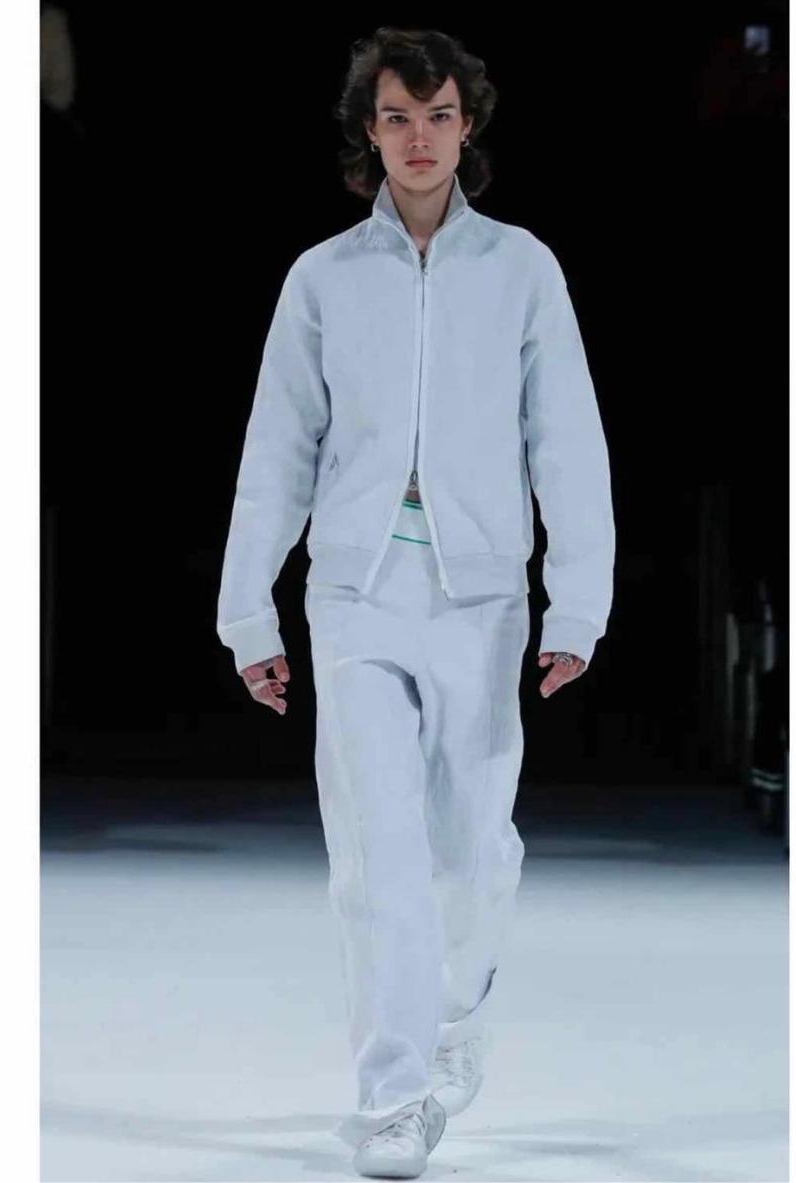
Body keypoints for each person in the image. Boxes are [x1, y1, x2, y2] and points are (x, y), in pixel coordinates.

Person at [216, 26, 615, 1180]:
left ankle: (453, 1032)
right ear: (371, 130)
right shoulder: (323, 279)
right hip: (355, 597)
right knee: (377, 855)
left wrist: (577, 606)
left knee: (475, 855)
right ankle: (392, 1096)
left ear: (466, 125)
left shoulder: (522, 269)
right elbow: (277, 450)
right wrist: (249, 615)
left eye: (438, 116)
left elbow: (567, 440)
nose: (420, 137)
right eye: (398, 116)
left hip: (481, 600)